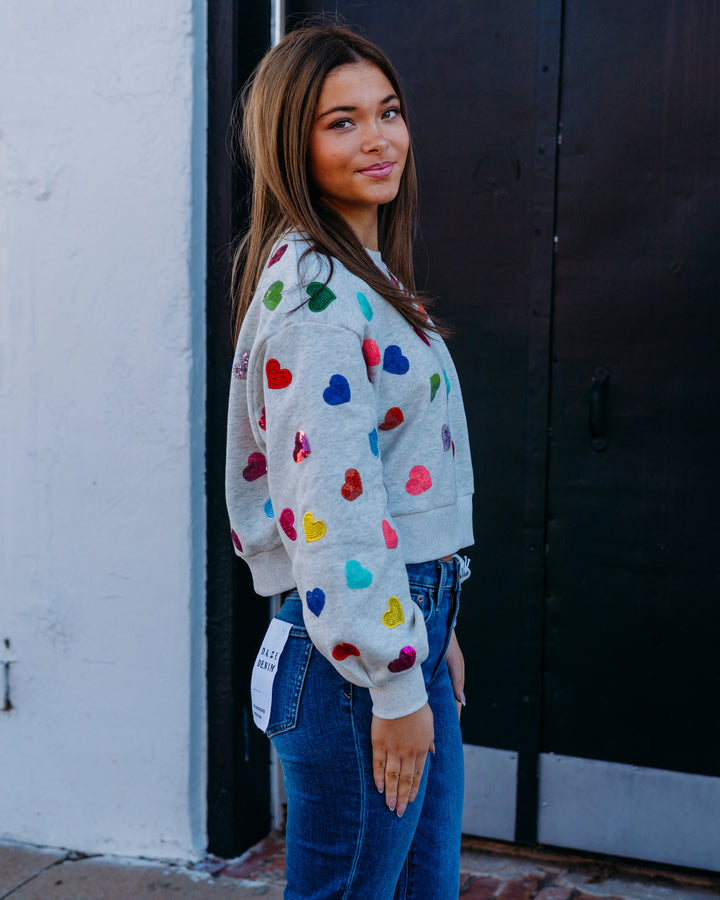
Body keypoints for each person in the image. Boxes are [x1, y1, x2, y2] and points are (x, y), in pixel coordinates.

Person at [225, 22, 474, 900]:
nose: (378, 139)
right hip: (355, 668)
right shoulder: (319, 300)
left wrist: (429, 629)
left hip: (398, 632)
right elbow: (329, 511)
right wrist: (393, 671)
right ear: (293, 141)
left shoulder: (360, 273)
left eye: (389, 112)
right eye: (342, 121)